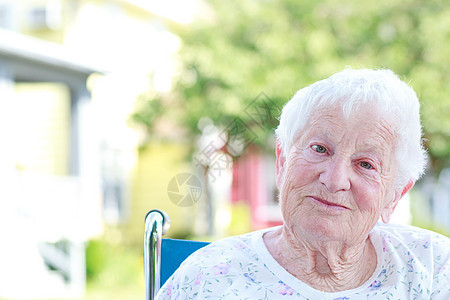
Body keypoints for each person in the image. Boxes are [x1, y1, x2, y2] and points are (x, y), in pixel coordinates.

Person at [156, 68, 450, 299]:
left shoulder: (436, 269)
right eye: (320, 149)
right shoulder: (206, 278)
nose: (335, 180)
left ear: (394, 196)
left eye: (365, 165)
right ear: (282, 162)